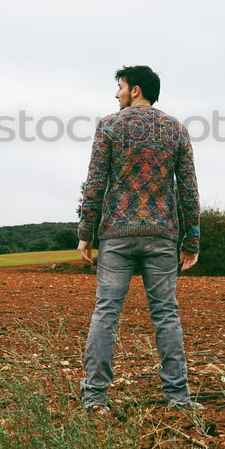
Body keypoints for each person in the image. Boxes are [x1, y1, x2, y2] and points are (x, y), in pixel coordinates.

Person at [77, 65, 202, 410]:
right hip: (162, 236)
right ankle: (178, 398)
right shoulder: (175, 128)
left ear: (134, 90)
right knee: (166, 315)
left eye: (119, 87)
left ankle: (95, 398)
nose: (116, 94)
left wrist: (85, 233)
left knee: (106, 314)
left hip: (117, 235)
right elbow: (188, 189)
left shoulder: (110, 126)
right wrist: (192, 240)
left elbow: (95, 183)